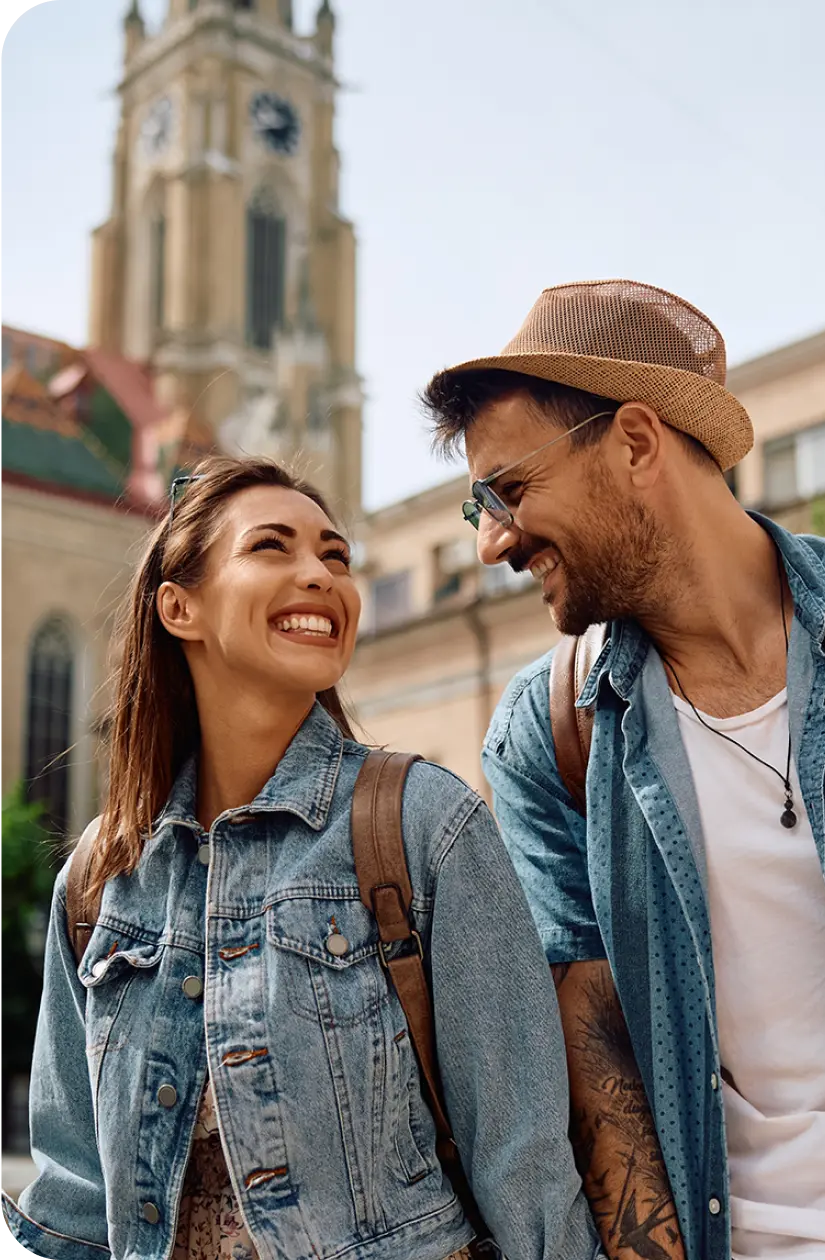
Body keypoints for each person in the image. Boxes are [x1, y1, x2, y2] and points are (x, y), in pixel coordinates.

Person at [421, 279, 825, 1260]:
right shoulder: (550, 732)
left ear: (634, 443)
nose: (491, 542)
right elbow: (595, 1060)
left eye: (509, 491)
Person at [1, 455, 604, 1260]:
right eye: (272, 548)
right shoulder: (99, 878)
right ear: (179, 608)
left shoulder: (423, 823)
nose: (319, 575)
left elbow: (523, 1164)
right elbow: (72, 1195)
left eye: (335, 555)